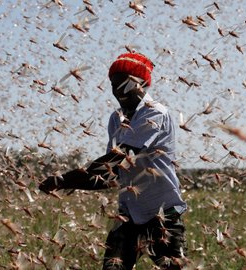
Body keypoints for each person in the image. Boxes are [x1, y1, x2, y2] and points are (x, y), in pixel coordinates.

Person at [39, 52, 187, 270]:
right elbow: (110, 175)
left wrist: (65, 179)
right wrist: (68, 182)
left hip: (162, 214)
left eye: (127, 84)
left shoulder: (154, 112)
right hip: (129, 214)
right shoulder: (116, 119)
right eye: (114, 84)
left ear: (144, 84)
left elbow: (120, 159)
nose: (119, 90)